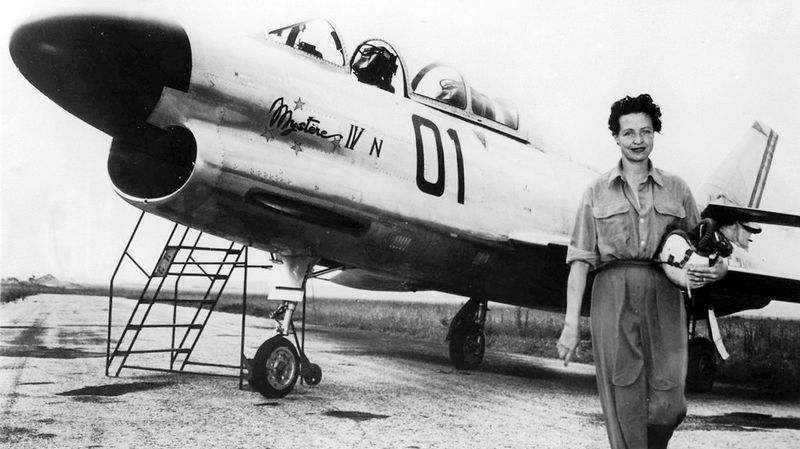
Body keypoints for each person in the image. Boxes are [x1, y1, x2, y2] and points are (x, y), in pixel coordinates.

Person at [556, 94, 727, 449]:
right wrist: (571, 325)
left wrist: (716, 268)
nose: (638, 141)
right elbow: (580, 262)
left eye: (645, 132)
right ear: (616, 138)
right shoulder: (596, 191)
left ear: (654, 135)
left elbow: (702, 250)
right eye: (629, 133)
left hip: (665, 291)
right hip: (612, 291)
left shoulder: (677, 188)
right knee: (624, 396)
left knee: (670, 403)